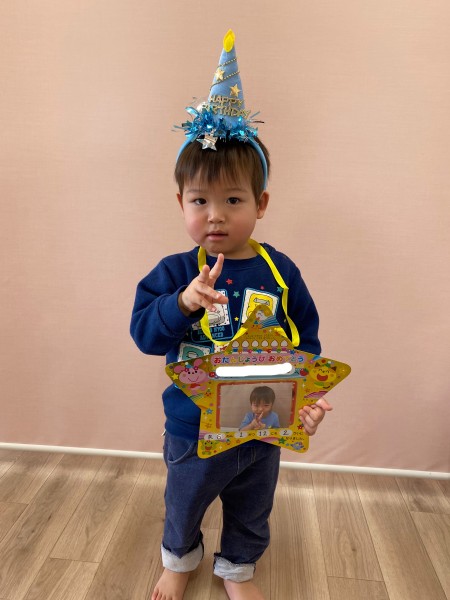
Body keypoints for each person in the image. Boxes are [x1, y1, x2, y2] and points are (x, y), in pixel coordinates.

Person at [130, 30, 333, 600]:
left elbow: (307, 340)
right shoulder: (175, 271)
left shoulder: (280, 270)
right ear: (181, 203)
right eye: (200, 200)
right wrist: (183, 302)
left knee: (252, 504)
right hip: (192, 427)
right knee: (184, 501)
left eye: (233, 200)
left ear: (260, 204)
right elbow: (144, 333)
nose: (215, 215)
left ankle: (237, 569)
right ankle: (179, 559)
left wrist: (307, 398)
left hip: (262, 424)